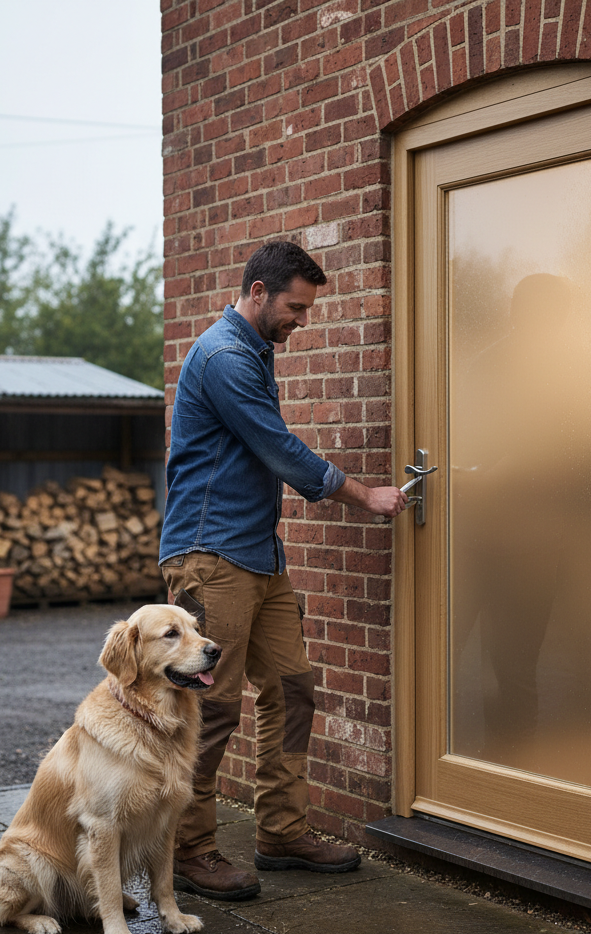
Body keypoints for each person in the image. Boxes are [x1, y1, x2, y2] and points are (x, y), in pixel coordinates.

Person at [159, 240, 406, 899]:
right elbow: (278, 448)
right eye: (297, 307)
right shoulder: (223, 355)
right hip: (210, 558)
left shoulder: (254, 351)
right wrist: (363, 494)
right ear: (260, 293)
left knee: (292, 688)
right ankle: (188, 850)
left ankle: (281, 830)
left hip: (258, 557)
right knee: (208, 708)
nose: (304, 319)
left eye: (309, 308)